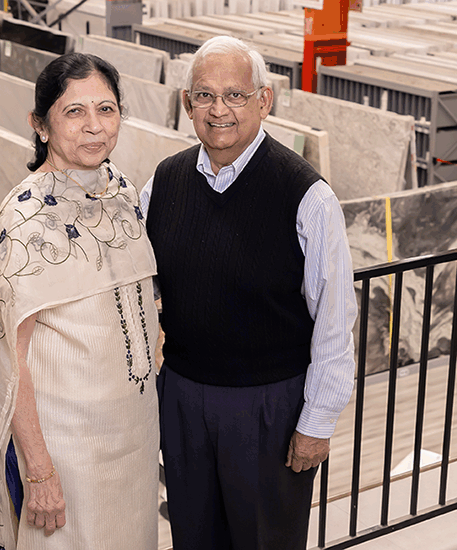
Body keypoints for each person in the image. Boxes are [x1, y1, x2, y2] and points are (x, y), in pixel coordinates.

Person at [142, 35, 358, 550]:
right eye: (204, 96)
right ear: (186, 102)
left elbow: (334, 319)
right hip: (184, 400)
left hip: (270, 411)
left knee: (265, 541)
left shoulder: (307, 195)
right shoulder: (163, 183)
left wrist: (317, 421)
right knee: (194, 537)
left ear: (264, 100)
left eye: (235, 95)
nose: (219, 110)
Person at [0, 52, 160, 550]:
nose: (94, 127)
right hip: (68, 448)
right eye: (74, 112)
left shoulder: (120, 190)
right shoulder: (24, 220)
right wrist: (38, 469)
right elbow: (6, 359)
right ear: (40, 126)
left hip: (135, 435)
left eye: (106, 109)